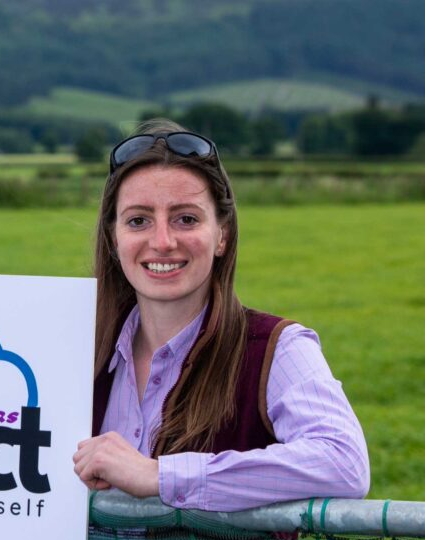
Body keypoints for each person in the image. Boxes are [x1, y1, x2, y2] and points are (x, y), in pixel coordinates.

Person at [72, 119, 369, 512]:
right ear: (114, 237)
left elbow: (343, 463)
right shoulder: (71, 347)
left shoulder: (276, 349)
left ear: (222, 235)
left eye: (187, 219)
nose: (162, 241)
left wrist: (160, 476)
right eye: (138, 220)